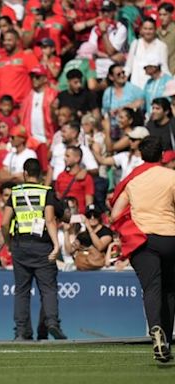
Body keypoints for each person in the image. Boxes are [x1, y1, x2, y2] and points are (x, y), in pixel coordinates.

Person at [111, 136, 175, 362]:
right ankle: (166, 338)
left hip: (142, 239)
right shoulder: (171, 176)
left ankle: (155, 329)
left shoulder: (133, 181)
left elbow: (115, 214)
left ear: (140, 154)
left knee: (151, 288)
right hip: (170, 237)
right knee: (169, 290)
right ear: (162, 156)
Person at [1, 158, 66, 341]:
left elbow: (4, 223)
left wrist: (9, 243)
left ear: (24, 173)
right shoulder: (47, 192)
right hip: (43, 244)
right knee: (48, 289)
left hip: (20, 245)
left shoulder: (15, 192)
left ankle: (22, 332)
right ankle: (52, 323)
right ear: (41, 174)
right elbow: (50, 219)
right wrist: (56, 245)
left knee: (21, 291)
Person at [125, 18, 170, 89]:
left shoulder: (161, 46)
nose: (148, 32)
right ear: (141, 30)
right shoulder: (135, 44)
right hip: (135, 86)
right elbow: (128, 67)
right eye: (145, 29)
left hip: (153, 88)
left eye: (150, 29)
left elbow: (164, 68)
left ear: (155, 30)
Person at [55, 146, 94, 213]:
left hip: (79, 216)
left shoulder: (86, 178)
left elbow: (89, 202)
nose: (64, 158)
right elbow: (57, 197)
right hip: (63, 216)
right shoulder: (60, 176)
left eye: (68, 156)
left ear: (77, 159)